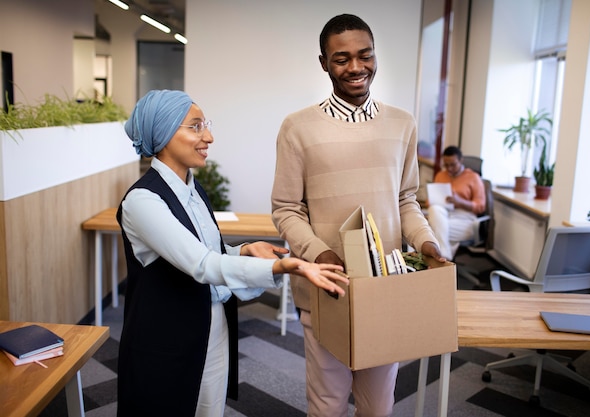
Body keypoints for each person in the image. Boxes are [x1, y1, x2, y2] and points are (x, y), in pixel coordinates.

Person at [116, 89, 349, 417]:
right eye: (195, 127)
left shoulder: (193, 189)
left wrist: (244, 251)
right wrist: (283, 268)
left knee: (209, 409)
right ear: (164, 133)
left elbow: (209, 251)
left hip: (211, 327)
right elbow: (200, 264)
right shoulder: (142, 201)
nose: (208, 136)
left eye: (205, 125)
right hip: (164, 339)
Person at [271, 14, 445, 417]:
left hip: (387, 287)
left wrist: (428, 244)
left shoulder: (402, 123)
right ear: (323, 63)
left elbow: (406, 200)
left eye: (364, 56)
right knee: (328, 403)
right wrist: (320, 254)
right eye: (341, 58)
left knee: (378, 404)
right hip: (327, 287)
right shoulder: (297, 128)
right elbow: (286, 209)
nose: (355, 68)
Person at [427, 145, 486, 260]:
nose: (449, 169)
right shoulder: (440, 175)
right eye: (446, 165)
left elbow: (481, 206)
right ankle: (445, 257)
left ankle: (435, 260)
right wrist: (434, 201)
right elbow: (430, 201)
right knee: (435, 211)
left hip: (465, 219)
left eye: (453, 164)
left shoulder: (473, 177)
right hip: (442, 214)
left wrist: (460, 202)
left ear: (461, 160)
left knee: (430, 231)